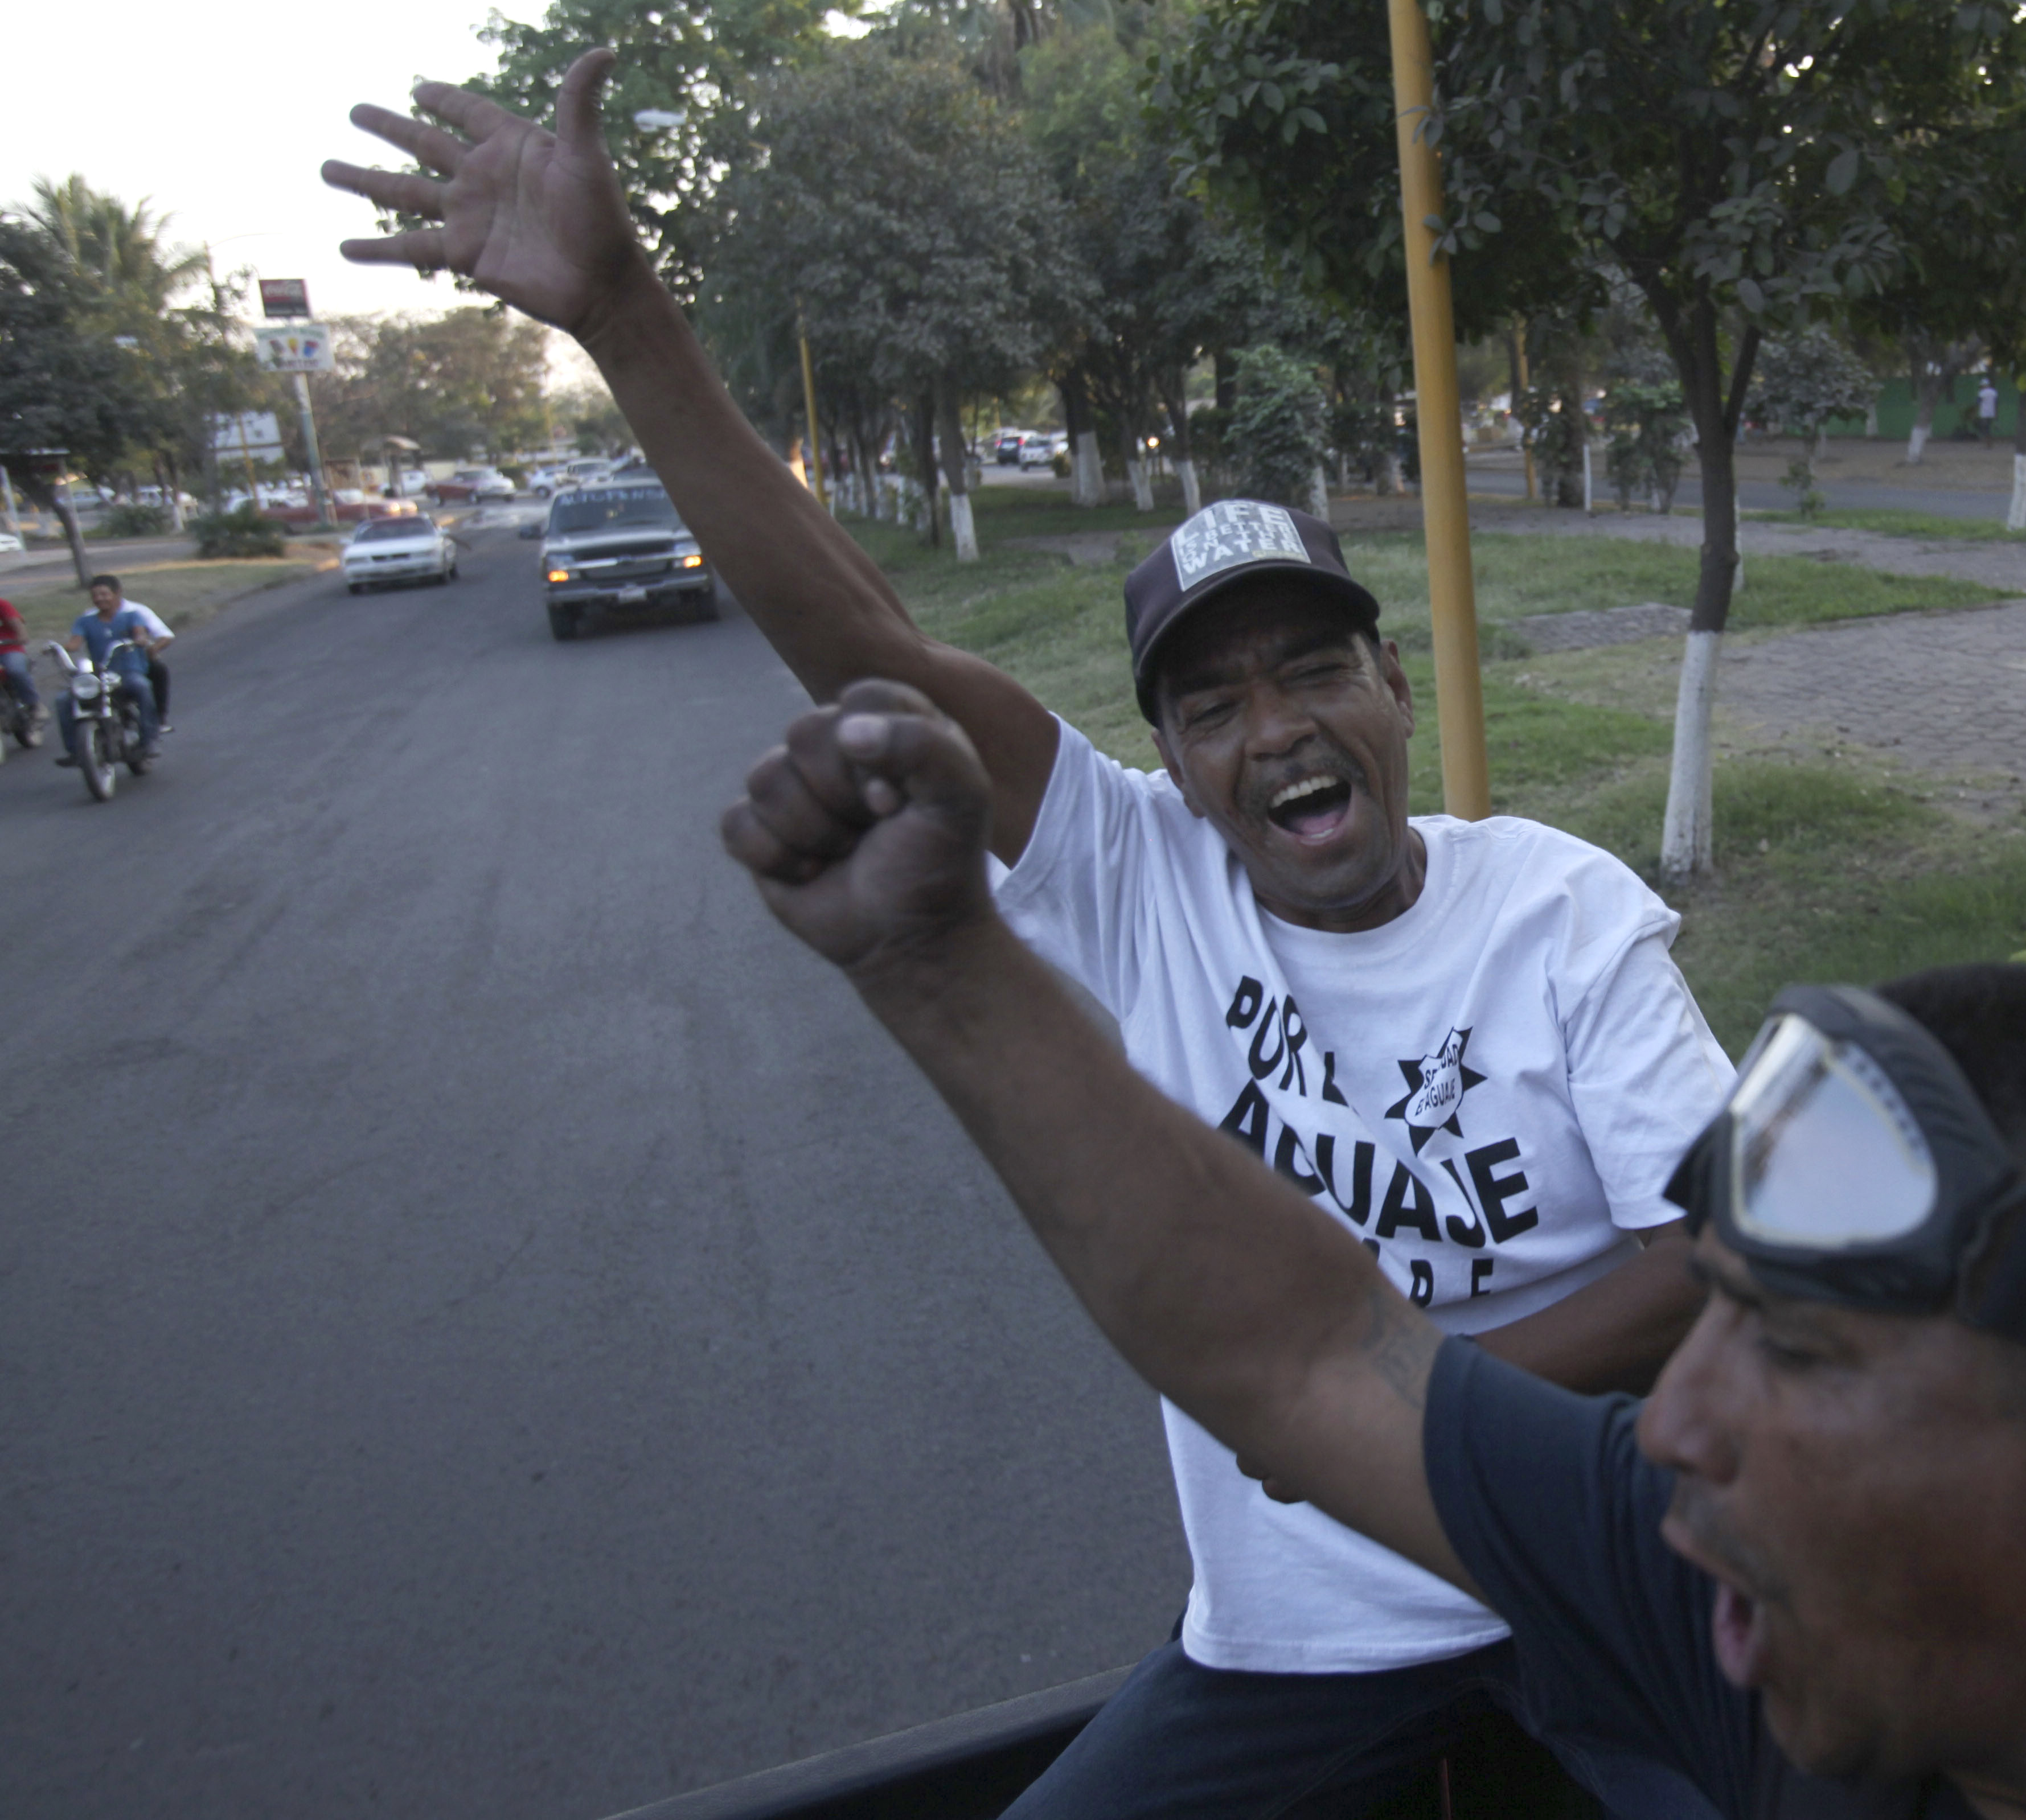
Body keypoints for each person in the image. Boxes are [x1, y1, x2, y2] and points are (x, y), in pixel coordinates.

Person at [324, 53, 1734, 1815]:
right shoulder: (1137, 875)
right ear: (1165, 761)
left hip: (1595, 1572)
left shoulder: (1557, 906)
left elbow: (1723, 1256)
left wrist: (1401, 1416)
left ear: (1392, 683)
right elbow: (874, 653)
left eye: (1313, 669)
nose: (1276, 727)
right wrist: (621, 309)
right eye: (1212, 704)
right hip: (1298, 1639)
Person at [720, 683, 2026, 1818]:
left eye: (1790, 1352)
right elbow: (1310, 1356)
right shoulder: (1765, 1593)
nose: (1672, 1416)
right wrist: (935, 958)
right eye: (1699, 1308)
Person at [54, 576, 168, 763]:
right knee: (64, 700)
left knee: (143, 688)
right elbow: (75, 643)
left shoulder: (132, 616)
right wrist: (59, 649)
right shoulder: (85, 621)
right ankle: (75, 750)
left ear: (117, 594)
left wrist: (139, 640)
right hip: (100, 674)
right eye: (95, 595)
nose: (100, 599)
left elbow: (140, 634)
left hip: (129, 671)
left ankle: (150, 740)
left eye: (104, 594)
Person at [0, 595, 41, 736]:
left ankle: (34, 705)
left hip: (9, 649)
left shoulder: (2, 604)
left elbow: (18, 625)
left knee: (16, 670)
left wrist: (21, 636)